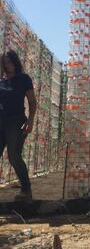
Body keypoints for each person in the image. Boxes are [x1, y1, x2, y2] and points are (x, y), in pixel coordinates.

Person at [0, 50, 37, 201]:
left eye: (9, 62)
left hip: (17, 121)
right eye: (4, 63)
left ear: (15, 62)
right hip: (1, 121)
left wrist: (30, 120)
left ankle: (26, 190)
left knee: (14, 156)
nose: (7, 65)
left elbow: (32, 102)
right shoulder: (1, 82)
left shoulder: (23, 79)